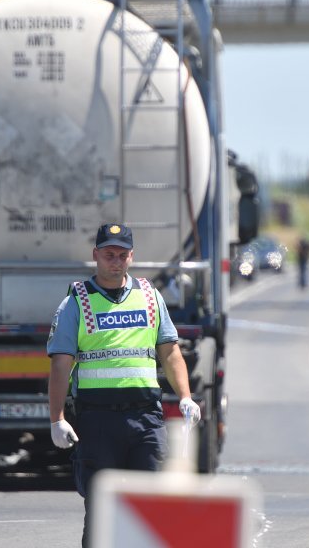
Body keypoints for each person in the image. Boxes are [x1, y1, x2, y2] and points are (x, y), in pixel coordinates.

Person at [47, 223, 201, 547]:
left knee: (151, 506)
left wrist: (186, 397)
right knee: (102, 510)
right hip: (97, 421)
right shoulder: (77, 303)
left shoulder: (149, 296)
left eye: (121, 255)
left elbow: (170, 352)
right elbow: (61, 364)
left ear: (131, 257)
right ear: (96, 256)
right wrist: (57, 419)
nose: (115, 261)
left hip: (146, 419)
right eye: (108, 255)